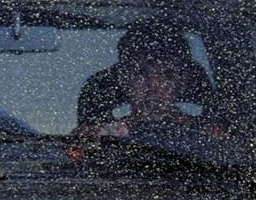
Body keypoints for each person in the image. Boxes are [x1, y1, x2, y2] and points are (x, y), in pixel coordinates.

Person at [74, 22, 226, 140]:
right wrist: (91, 140)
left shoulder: (205, 134)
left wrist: (210, 139)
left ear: (182, 83)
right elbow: (71, 163)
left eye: (167, 74)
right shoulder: (103, 133)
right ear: (124, 79)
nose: (154, 85)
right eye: (141, 73)